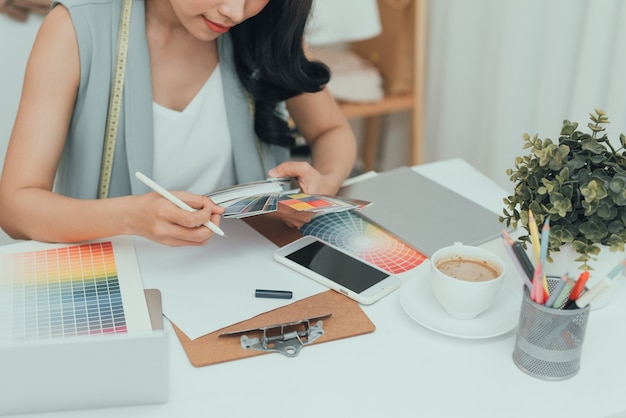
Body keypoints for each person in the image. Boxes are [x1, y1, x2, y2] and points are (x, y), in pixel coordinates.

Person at [0, 0, 357, 247]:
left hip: (243, 267)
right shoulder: (76, 28)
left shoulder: (265, 29)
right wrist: (130, 217)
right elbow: (15, 208)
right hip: (121, 279)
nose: (233, 11)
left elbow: (332, 132)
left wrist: (323, 182)